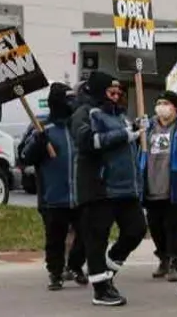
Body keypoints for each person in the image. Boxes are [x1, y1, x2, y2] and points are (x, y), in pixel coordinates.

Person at [71, 71, 148, 307]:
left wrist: (136, 127)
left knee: (136, 230)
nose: (115, 96)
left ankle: (108, 269)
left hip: (125, 189)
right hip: (100, 188)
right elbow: (87, 142)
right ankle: (101, 289)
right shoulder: (84, 113)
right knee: (97, 238)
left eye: (118, 93)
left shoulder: (121, 115)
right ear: (97, 91)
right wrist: (126, 134)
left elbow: (126, 140)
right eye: (110, 92)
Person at [18, 82, 89, 290]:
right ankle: (55, 272)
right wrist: (38, 143)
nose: (72, 104)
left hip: (80, 193)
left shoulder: (78, 125)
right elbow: (24, 157)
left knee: (86, 233)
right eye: (67, 100)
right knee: (55, 237)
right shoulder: (40, 127)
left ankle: (75, 265)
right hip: (53, 194)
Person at [139, 90, 177, 282]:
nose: (162, 106)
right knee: (155, 226)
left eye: (166, 103)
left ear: (176, 109)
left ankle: (174, 262)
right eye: (159, 102)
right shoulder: (148, 128)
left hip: (175, 185)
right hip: (152, 185)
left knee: (174, 226)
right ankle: (163, 257)